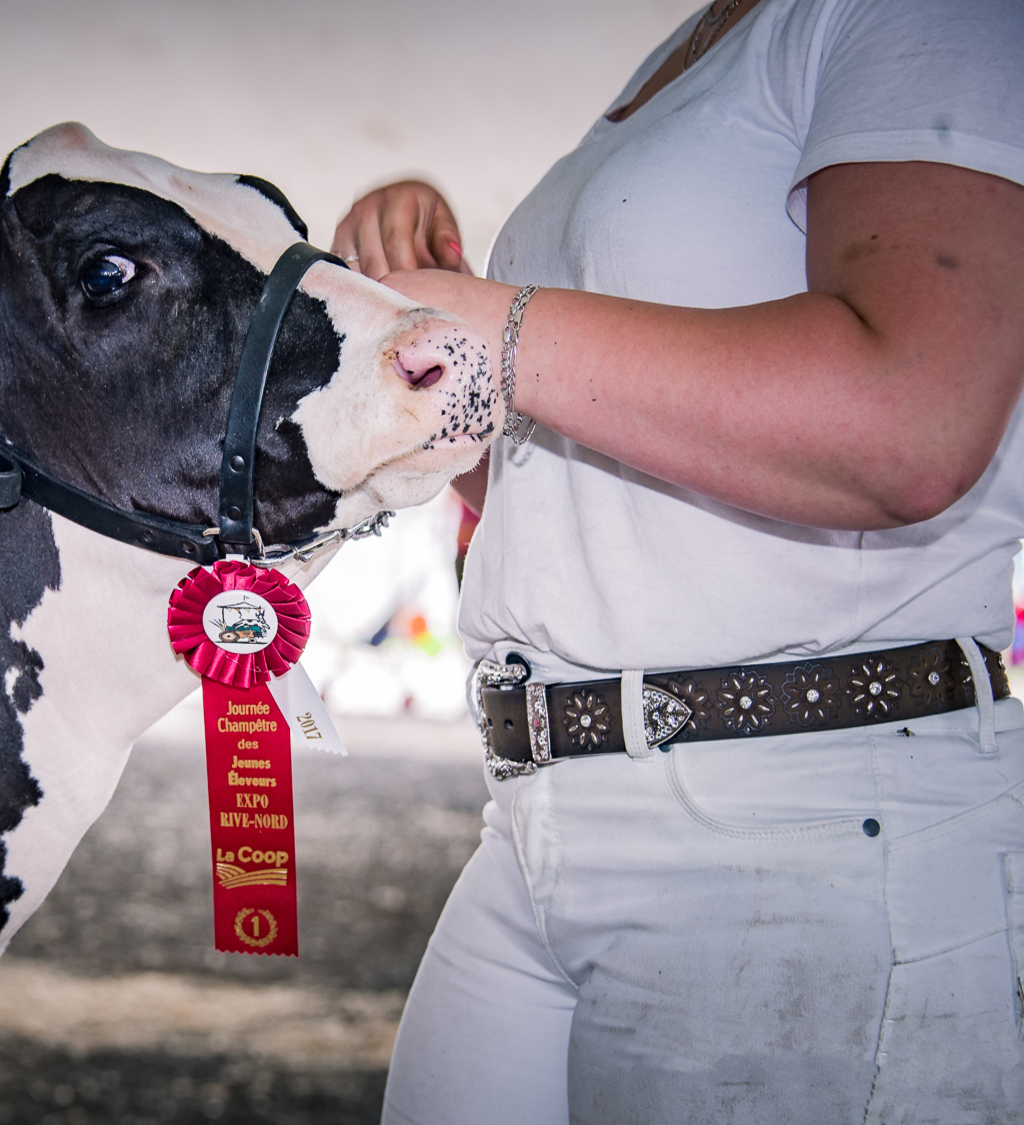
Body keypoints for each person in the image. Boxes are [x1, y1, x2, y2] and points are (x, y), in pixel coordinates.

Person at [331, 0, 1024, 1121]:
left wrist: (498, 328)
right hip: (538, 811)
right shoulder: (694, 46)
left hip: (806, 823)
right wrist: (440, 328)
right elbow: (554, 507)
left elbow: (912, 418)